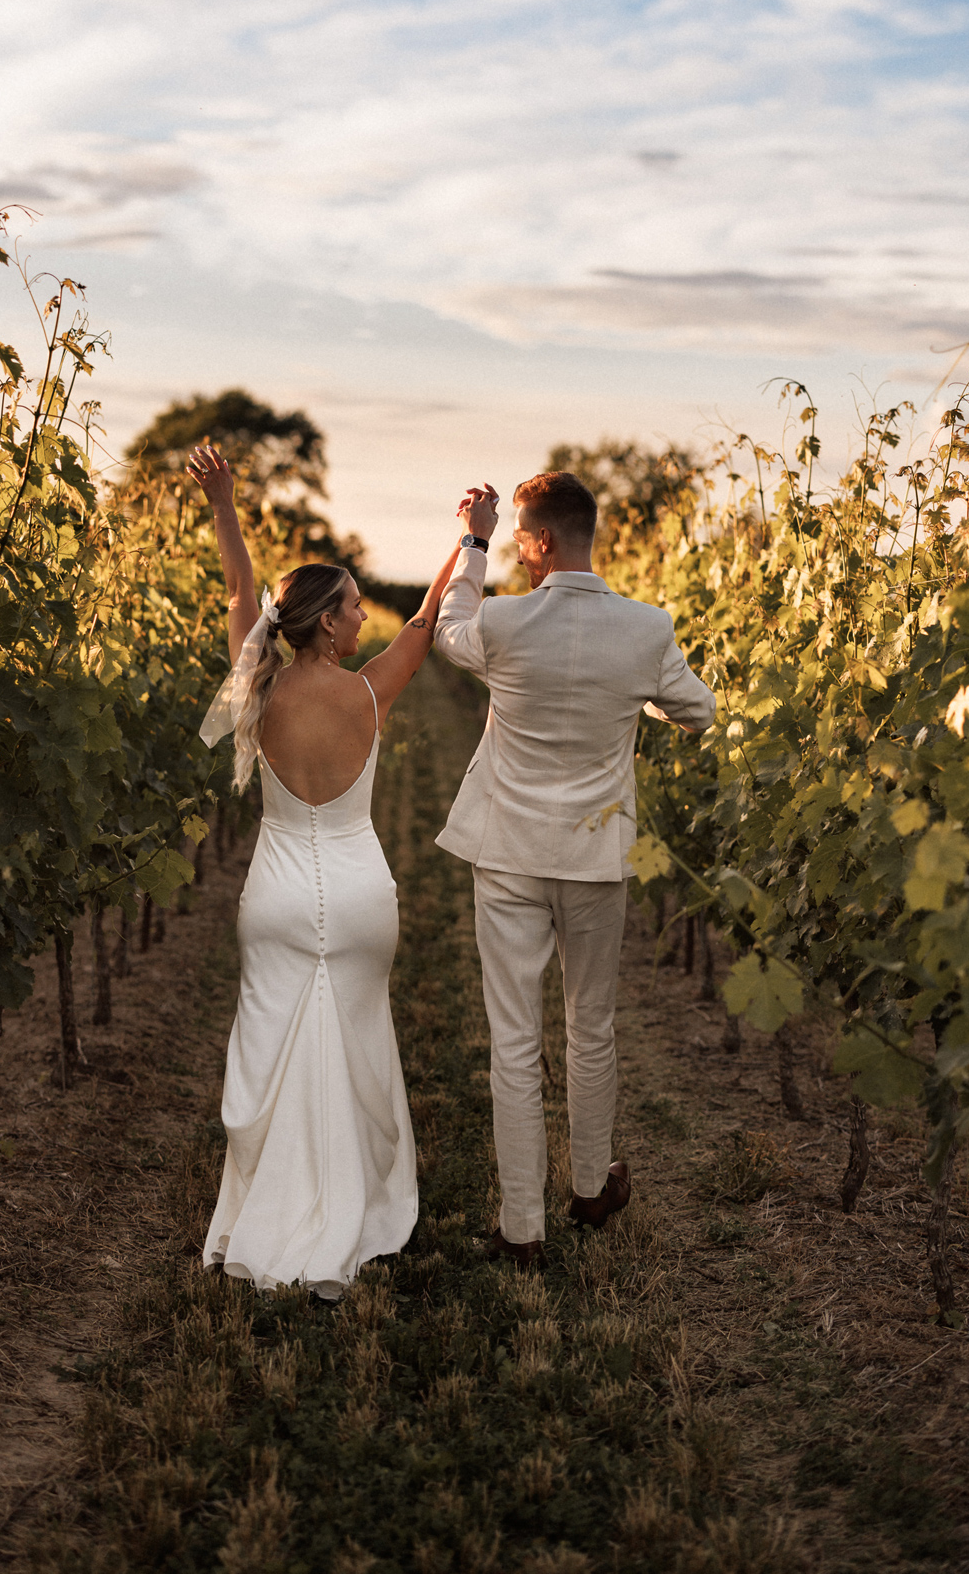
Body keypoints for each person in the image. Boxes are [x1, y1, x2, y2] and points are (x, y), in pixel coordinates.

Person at [188, 443, 460, 1300]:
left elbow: (239, 593)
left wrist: (225, 504)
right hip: (356, 895)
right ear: (325, 623)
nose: (362, 620)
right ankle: (354, 1211)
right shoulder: (370, 693)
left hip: (272, 894)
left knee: (270, 1051)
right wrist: (467, 539)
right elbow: (424, 625)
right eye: (349, 609)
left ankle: (266, 1213)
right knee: (356, 1049)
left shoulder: (257, 687)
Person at [435, 470, 716, 1265]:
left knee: (515, 1041)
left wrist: (473, 539)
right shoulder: (647, 629)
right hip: (595, 861)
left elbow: (451, 626)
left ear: (544, 539)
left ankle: (521, 1228)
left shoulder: (505, 622)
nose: (521, 551)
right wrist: (639, 694)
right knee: (592, 1028)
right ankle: (592, 1187)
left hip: (510, 855)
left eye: (523, 538)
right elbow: (698, 712)